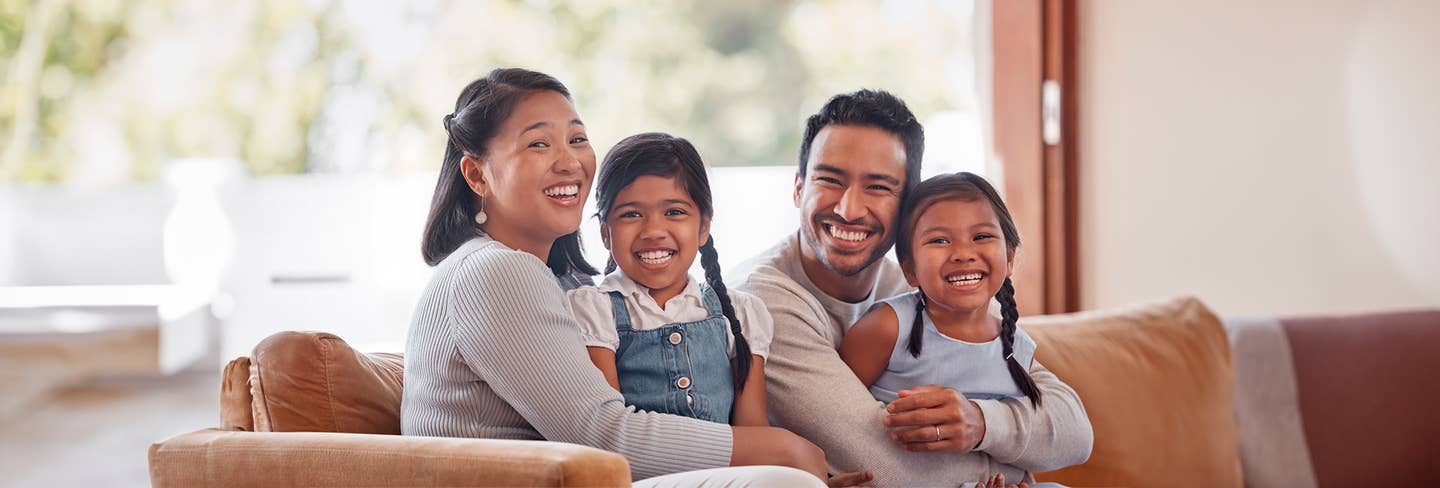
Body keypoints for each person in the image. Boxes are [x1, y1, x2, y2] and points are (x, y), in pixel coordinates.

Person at [401, 68, 829, 487]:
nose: (568, 162)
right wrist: (784, 449)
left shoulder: (550, 280)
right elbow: (602, 434)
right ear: (476, 174)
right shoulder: (494, 271)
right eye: (538, 144)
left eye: (577, 139)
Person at [732, 89, 1093, 486]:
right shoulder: (761, 303)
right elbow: (879, 460)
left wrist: (980, 422)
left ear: (908, 207)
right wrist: (1011, 473)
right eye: (830, 180)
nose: (849, 209)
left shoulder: (926, 285)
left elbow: (1073, 432)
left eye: (878, 187)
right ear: (799, 187)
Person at [842, 172, 1069, 487]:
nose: (963, 253)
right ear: (910, 269)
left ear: (1010, 256)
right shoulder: (887, 327)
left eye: (981, 237)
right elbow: (836, 422)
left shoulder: (1017, 346)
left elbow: (1037, 439)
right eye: (939, 240)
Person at [566, 132, 772, 427]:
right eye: (631, 214)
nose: (653, 231)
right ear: (604, 232)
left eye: (674, 212)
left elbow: (754, 431)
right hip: (641, 471)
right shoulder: (594, 311)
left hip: (731, 471)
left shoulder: (740, 313)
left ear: (703, 227)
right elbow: (608, 428)